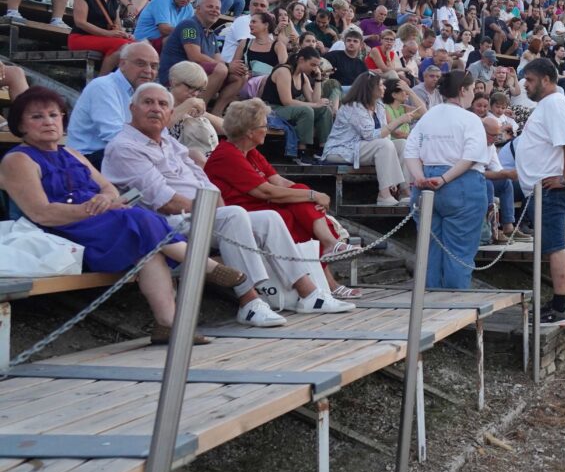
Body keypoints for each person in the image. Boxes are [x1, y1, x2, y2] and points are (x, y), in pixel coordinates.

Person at [1, 87, 245, 344]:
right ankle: (207, 267)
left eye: (53, 115)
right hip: (64, 230)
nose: (48, 122)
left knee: (147, 249)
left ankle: (169, 325)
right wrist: (92, 209)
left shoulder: (70, 153)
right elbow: (41, 213)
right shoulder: (18, 159)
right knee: (138, 219)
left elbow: (107, 187)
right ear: (21, 125)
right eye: (37, 117)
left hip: (101, 223)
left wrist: (106, 199)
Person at [103, 83, 354, 326]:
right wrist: (214, 210)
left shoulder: (170, 144)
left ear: (170, 112)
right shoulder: (125, 148)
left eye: (162, 104)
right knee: (234, 215)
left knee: (269, 218)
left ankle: (309, 293)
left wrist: (215, 208)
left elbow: (205, 182)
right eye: (148, 102)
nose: (156, 109)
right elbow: (166, 201)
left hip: (203, 214)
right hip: (164, 224)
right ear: (132, 108)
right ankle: (250, 302)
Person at [204, 98, 359, 299]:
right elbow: (266, 192)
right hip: (240, 213)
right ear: (249, 132)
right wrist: (313, 195)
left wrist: (309, 196)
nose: (267, 130)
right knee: (291, 214)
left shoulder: (250, 152)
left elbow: (279, 182)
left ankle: (330, 250)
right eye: (264, 126)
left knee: (299, 194)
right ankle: (328, 269)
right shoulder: (227, 154)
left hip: (260, 206)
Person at [403, 70, 491, 289]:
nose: (473, 94)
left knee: (429, 250)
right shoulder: (471, 119)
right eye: (472, 90)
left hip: (425, 183)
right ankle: (455, 302)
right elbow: (471, 157)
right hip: (461, 184)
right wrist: (443, 179)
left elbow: (410, 150)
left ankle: (428, 300)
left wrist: (420, 177)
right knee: (459, 251)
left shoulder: (428, 116)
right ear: (462, 90)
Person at [512, 58, 565, 326]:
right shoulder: (548, 105)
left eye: (529, 80)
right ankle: (556, 304)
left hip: (552, 191)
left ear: (546, 79)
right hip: (542, 190)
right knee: (552, 246)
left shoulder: (553, 103)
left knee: (555, 247)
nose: (525, 85)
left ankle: (560, 308)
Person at [321, 72, 409, 204]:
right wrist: (398, 121)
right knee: (384, 145)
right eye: (381, 85)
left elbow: (385, 134)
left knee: (402, 144)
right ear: (371, 88)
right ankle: (384, 195)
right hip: (342, 149)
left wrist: (391, 169)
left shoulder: (379, 105)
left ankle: (404, 191)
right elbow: (369, 135)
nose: (384, 87)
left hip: (363, 147)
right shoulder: (353, 107)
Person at [67, 42, 161, 167]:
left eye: (154, 66)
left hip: (119, 152)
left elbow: (159, 132)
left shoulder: (142, 91)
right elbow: (114, 135)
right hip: (86, 160)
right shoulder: (103, 86)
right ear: (122, 64)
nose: (148, 71)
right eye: (140, 64)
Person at [159, 0, 248, 113]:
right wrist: (227, 66)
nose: (215, 10)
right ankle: (196, 111)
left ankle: (216, 113)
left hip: (196, 75)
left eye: (217, 8)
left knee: (239, 76)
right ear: (198, 9)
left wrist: (235, 68)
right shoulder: (189, 26)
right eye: (210, 6)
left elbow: (218, 60)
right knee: (221, 69)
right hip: (174, 77)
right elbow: (194, 56)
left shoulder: (211, 34)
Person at [71, 0, 142, 75]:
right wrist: (107, 34)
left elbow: (117, 26)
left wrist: (124, 34)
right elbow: (80, 22)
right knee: (123, 45)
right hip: (81, 37)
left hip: (105, 38)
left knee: (137, 46)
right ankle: (101, 80)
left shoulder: (113, 0)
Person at [265, 46, 334, 165]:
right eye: (312, 65)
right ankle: (301, 152)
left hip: (286, 109)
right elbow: (287, 101)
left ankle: (322, 149)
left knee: (324, 109)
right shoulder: (284, 71)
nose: (315, 68)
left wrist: (318, 79)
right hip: (272, 109)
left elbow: (313, 100)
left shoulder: (303, 76)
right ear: (301, 60)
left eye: (317, 66)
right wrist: (315, 104)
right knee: (306, 110)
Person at [133, 0, 197, 47]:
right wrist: (191, 34)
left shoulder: (189, 8)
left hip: (161, 43)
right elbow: (164, 30)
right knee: (177, 39)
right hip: (144, 43)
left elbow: (191, 31)